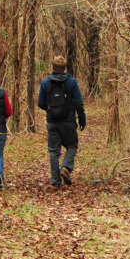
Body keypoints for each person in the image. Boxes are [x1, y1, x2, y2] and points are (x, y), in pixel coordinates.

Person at [37, 55, 86, 188]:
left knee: (54, 151)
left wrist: (50, 109)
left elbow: (40, 103)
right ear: (65, 68)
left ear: (52, 67)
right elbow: (79, 102)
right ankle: (66, 167)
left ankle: (55, 181)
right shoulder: (72, 83)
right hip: (68, 121)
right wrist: (82, 118)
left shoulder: (45, 83)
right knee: (72, 145)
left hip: (52, 122)